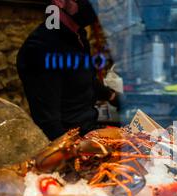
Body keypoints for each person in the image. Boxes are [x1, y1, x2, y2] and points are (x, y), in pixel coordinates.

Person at [17, 0, 120, 141]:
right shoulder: (41, 48)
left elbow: (84, 79)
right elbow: (49, 126)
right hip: (74, 145)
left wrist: (112, 96)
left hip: (91, 131)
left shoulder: (78, 36)